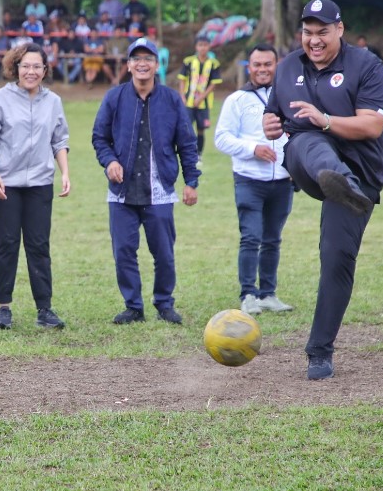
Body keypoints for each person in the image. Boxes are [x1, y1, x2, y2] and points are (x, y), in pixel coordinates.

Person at [262, 0, 383, 381]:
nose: (314, 40)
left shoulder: (367, 66)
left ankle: (319, 352)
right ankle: (339, 181)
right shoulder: (287, 68)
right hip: (306, 162)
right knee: (307, 140)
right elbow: (276, 115)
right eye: (307, 32)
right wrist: (270, 125)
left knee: (337, 257)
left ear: (340, 30)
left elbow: (371, 126)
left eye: (322, 32)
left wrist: (325, 119)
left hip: (360, 176)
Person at [92, 38, 201, 325]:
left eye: (148, 58)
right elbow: (99, 138)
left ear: (157, 65)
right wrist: (110, 161)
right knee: (124, 251)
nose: (142, 63)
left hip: (160, 190)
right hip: (122, 192)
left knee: (164, 253)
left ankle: (164, 303)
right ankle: (133, 307)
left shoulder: (171, 99)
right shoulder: (114, 98)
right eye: (136, 58)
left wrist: (191, 181)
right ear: (128, 65)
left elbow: (187, 143)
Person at [0, 42, 71, 330]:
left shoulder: (53, 101)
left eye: (37, 66)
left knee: (39, 245)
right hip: (5, 183)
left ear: (45, 70)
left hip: (40, 183)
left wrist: (64, 172)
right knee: (6, 243)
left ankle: (45, 309)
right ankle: (3, 307)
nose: (31, 71)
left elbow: (59, 140)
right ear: (15, 67)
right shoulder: (0, 99)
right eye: (25, 66)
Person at [214, 43, 295, 316]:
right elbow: (221, 138)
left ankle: (269, 293)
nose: (262, 69)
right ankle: (248, 294)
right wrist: (252, 149)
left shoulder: (290, 96)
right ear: (249, 67)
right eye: (257, 64)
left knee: (273, 239)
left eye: (267, 64)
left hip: (283, 180)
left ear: (277, 65)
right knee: (251, 238)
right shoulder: (236, 100)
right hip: (249, 180)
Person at [177, 36, 222, 165]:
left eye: (205, 45)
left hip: (204, 103)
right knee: (186, 128)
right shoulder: (189, 61)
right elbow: (182, 78)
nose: (202, 48)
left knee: (201, 129)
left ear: (209, 47)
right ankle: (186, 153)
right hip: (189, 101)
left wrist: (202, 97)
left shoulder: (214, 63)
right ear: (196, 47)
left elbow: (213, 84)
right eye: (200, 45)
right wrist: (182, 95)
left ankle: (199, 155)